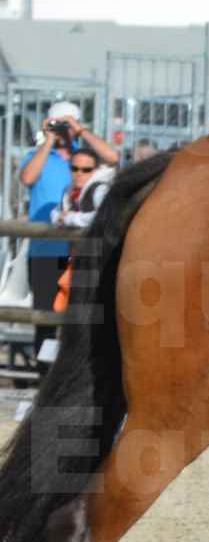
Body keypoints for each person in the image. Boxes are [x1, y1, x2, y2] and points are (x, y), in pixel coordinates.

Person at [18, 101, 119, 362]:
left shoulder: (84, 157)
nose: (63, 130)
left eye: (67, 124)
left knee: (82, 316)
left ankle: (74, 373)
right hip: (45, 251)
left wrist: (81, 131)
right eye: (58, 123)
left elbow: (113, 158)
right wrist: (49, 140)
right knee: (45, 316)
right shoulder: (38, 155)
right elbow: (28, 178)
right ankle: (44, 374)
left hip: (79, 252)